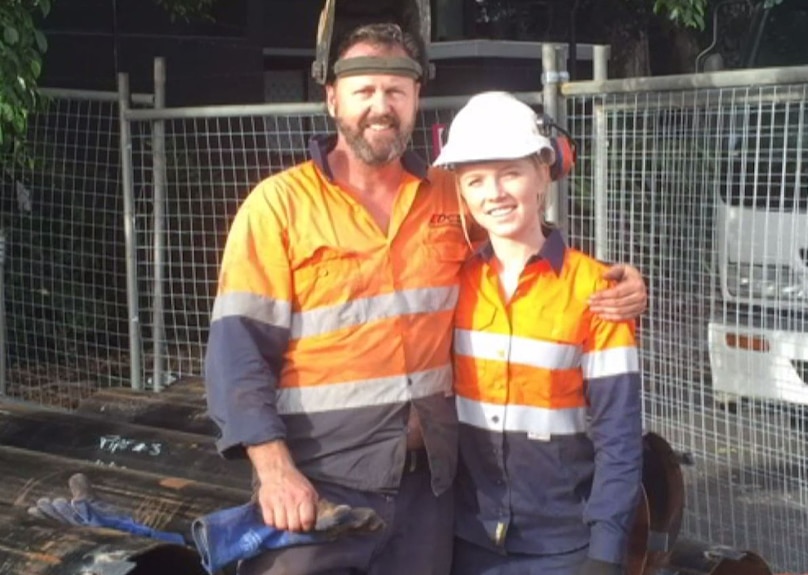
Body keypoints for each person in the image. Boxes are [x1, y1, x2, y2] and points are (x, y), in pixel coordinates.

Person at [204, 23, 646, 575]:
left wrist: (611, 282)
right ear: (331, 98)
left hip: (432, 494)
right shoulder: (278, 208)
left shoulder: (449, 197)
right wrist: (273, 470)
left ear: (416, 100)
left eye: (396, 91)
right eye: (364, 91)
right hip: (318, 490)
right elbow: (237, 353)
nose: (380, 106)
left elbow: (518, 238)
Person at [433, 91, 643, 575]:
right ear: (461, 192)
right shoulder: (450, 283)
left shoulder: (596, 290)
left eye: (510, 173)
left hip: (563, 546)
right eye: (476, 180)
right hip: (467, 538)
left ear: (544, 173)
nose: (495, 193)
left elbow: (619, 434)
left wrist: (606, 550)